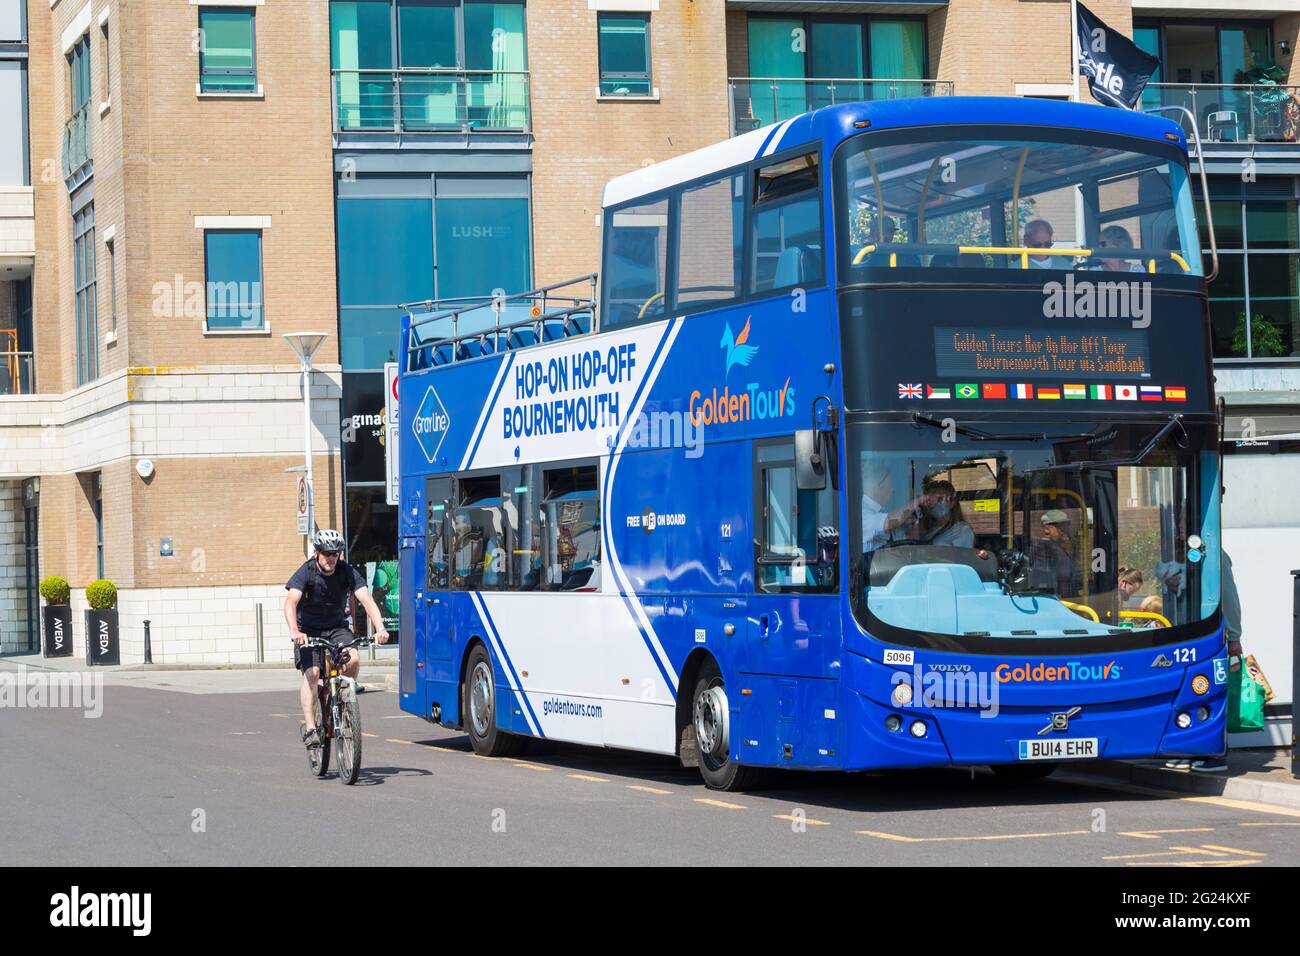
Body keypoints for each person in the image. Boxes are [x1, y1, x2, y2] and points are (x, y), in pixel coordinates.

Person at [284, 529, 390, 750]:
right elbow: (291, 602)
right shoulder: (306, 572)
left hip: (336, 628)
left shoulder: (346, 572)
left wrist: (380, 627)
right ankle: (312, 728)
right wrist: (295, 631)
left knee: (353, 659)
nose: (332, 558)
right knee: (312, 674)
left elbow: (367, 600)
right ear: (317, 553)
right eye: (327, 553)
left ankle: (343, 700)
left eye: (336, 553)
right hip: (308, 631)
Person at [1168, 551, 1242, 774]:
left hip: (1208, 635)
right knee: (1187, 693)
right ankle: (1188, 750)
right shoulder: (1177, 552)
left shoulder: (1215, 554)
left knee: (1210, 691)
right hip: (1184, 636)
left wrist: (1235, 636)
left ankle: (1214, 754)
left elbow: (1228, 597)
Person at [1028, 509, 1082, 596]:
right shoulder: (1044, 551)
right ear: (1047, 529)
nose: (1066, 530)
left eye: (1067, 526)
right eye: (1061, 527)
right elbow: (1045, 583)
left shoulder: (1058, 549)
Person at [916, 478, 975, 548]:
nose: (933, 504)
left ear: (952, 503)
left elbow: (963, 556)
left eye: (940, 499)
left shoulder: (963, 530)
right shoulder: (930, 528)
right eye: (929, 500)